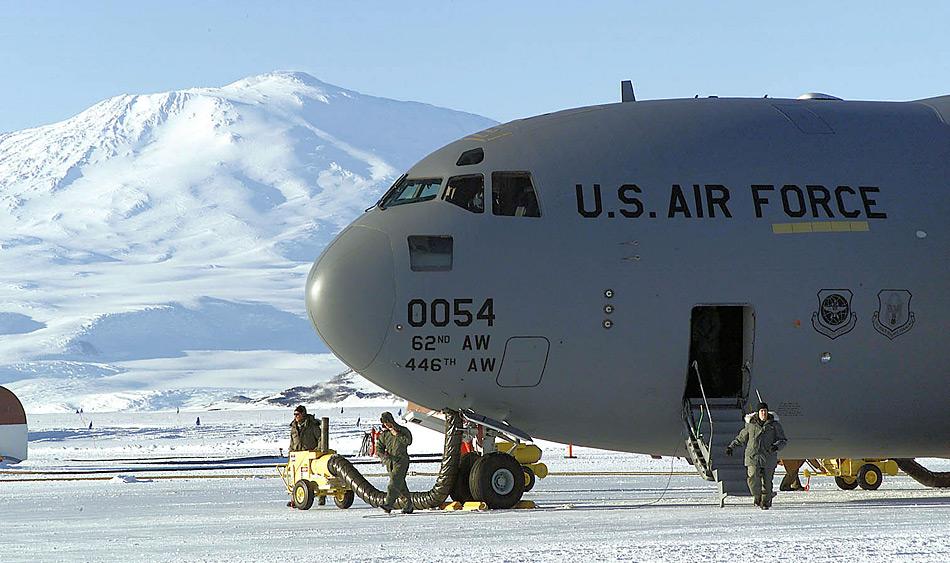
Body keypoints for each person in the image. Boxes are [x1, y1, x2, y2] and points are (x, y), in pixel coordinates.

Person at [726, 401, 787, 509]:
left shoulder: (774, 425)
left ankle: (765, 502)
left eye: (765, 411)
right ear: (758, 413)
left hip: (768, 457)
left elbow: (783, 440)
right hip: (753, 457)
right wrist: (731, 447)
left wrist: (776, 446)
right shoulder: (751, 425)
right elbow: (741, 437)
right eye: (761, 411)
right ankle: (757, 496)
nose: (763, 413)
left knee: (767, 482)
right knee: (752, 478)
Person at [376, 411, 414, 514]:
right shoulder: (385, 435)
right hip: (390, 463)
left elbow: (408, 441)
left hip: (401, 461)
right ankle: (408, 505)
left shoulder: (403, 430)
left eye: (387, 422)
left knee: (394, 482)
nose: (386, 425)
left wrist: (397, 434)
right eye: (384, 423)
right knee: (400, 484)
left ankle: (388, 504)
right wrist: (384, 456)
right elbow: (379, 448)